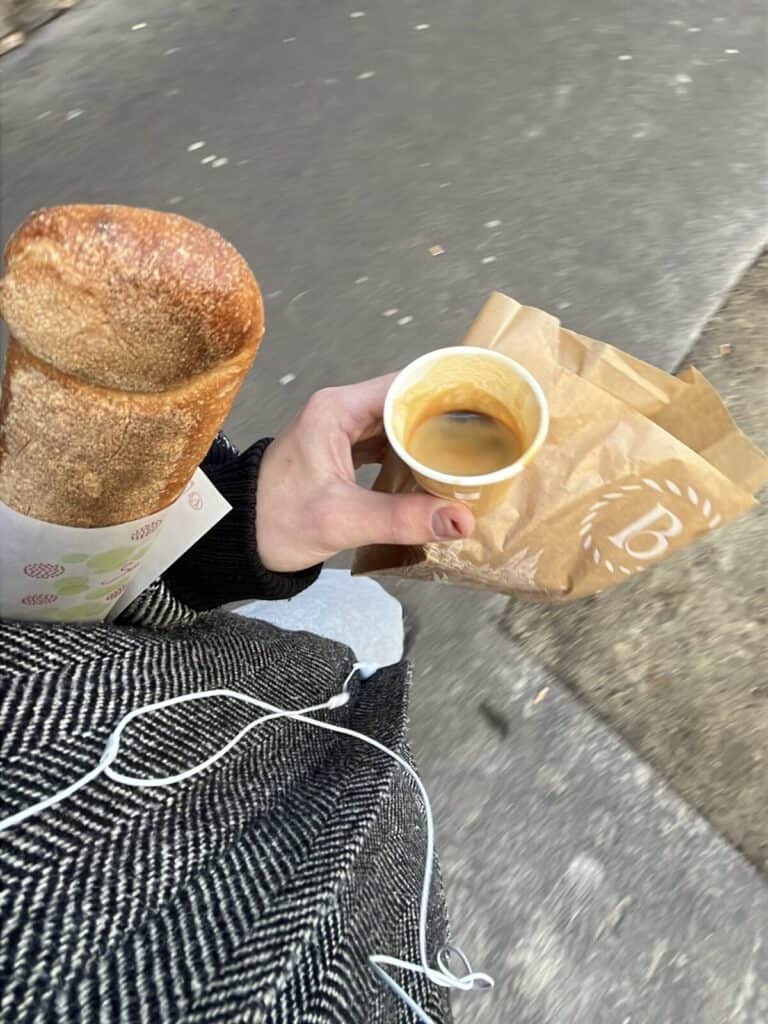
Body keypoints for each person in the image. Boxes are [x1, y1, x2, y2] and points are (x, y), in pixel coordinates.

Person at [0, 374, 476, 1023]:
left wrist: (240, 528)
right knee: (374, 615)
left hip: (284, 688)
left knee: (374, 618)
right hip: (375, 941)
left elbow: (45, 599)